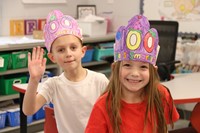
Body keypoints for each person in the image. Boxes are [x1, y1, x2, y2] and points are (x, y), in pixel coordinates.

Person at [85, 15, 179, 133]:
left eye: (143, 67)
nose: (135, 73)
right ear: (115, 68)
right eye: (127, 65)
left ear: (153, 71)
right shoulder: (103, 106)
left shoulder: (161, 95)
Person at [23, 10, 109, 133]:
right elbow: (28, 110)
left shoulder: (99, 80)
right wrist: (34, 79)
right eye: (61, 50)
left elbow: (114, 113)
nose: (68, 54)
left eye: (73, 48)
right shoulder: (53, 85)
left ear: (83, 51)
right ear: (52, 57)